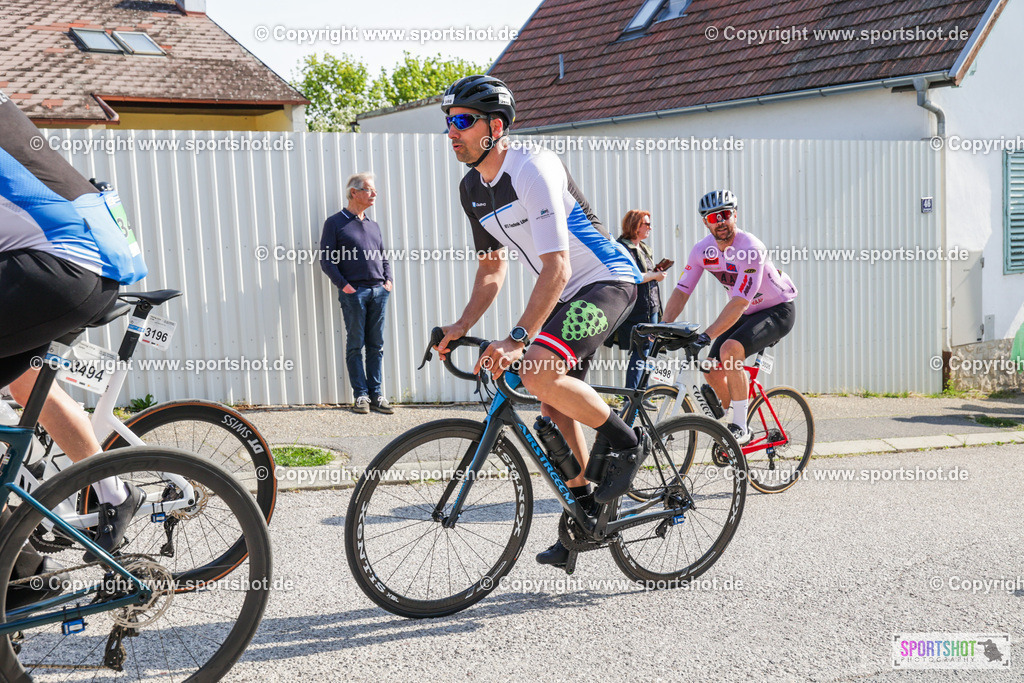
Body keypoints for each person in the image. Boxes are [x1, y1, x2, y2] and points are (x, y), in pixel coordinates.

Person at [435, 75, 646, 570]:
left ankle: (624, 441)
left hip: (606, 281)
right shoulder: (473, 188)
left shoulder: (533, 168)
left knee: (535, 370)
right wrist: (461, 326)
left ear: (495, 126)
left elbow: (558, 267)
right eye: (448, 122)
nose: (452, 132)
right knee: (552, 408)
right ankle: (587, 512)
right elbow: (492, 267)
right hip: (564, 293)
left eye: (462, 121)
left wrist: (515, 338)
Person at [0, 89, 147, 607]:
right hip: (77, 260)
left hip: (63, 264)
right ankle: (109, 495)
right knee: (25, 380)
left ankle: (19, 567)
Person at [662, 190, 798, 443]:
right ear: (705, 222)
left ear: (735, 215)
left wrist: (706, 335)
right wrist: (662, 326)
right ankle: (736, 422)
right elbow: (682, 290)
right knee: (712, 370)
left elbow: (739, 301)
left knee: (731, 350)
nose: (720, 221)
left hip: (777, 310)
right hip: (746, 314)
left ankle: (740, 429)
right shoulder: (702, 250)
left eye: (725, 214)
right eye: (713, 217)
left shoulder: (751, 248)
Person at [319, 172, 394, 415]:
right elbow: (327, 260)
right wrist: (345, 286)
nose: (374, 194)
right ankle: (360, 396)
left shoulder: (373, 225)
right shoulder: (335, 223)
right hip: (355, 293)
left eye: (374, 190)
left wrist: (388, 280)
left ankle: (377, 395)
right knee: (355, 345)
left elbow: (383, 255)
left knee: (376, 346)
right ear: (354, 192)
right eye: (369, 190)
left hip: (379, 291)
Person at [606, 210, 667, 390]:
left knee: (649, 352)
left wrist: (655, 272)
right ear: (635, 226)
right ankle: (631, 395)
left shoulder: (644, 248)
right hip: (636, 308)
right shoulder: (621, 248)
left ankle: (642, 392)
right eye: (646, 224)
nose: (650, 227)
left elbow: (646, 274)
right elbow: (631, 276)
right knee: (639, 352)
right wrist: (654, 276)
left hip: (652, 307)